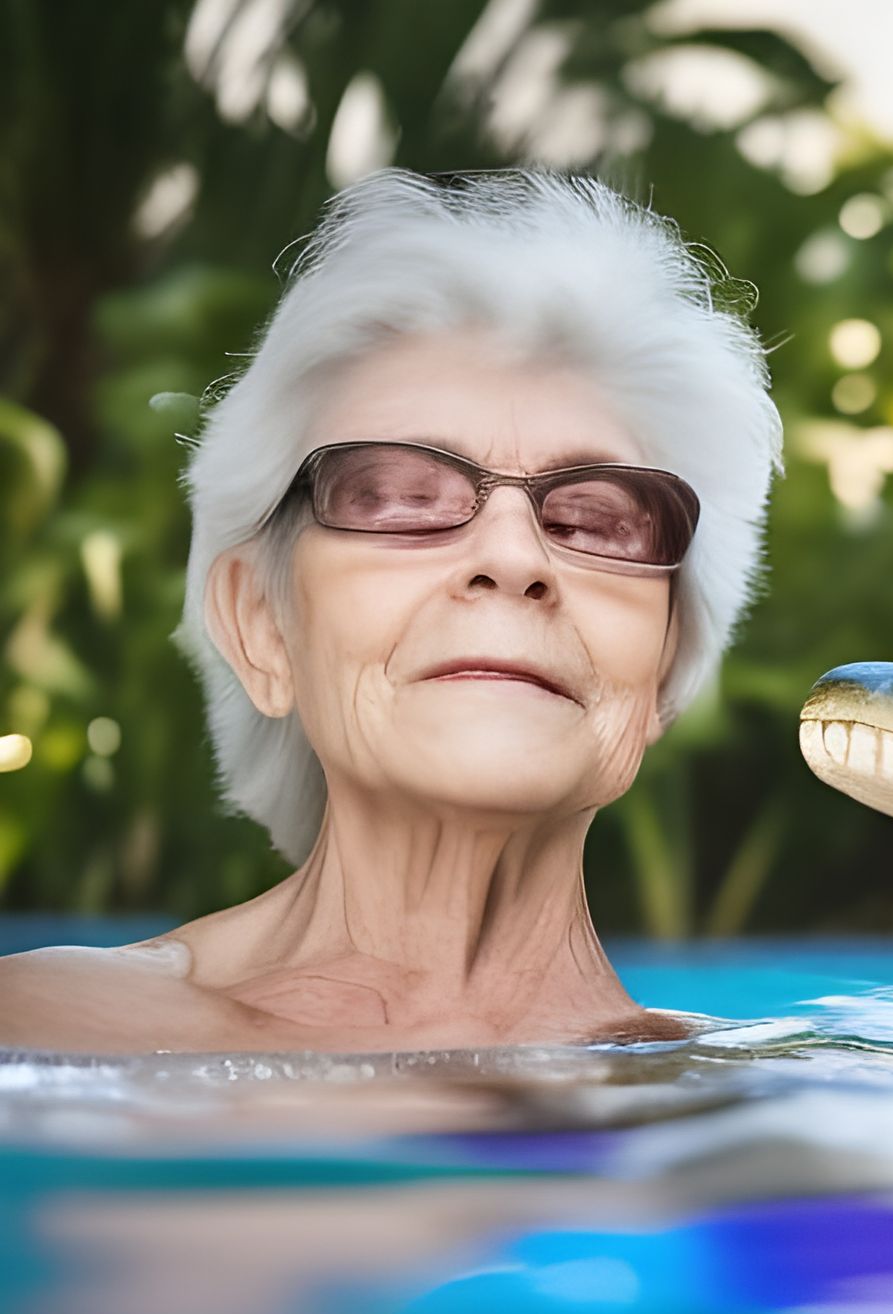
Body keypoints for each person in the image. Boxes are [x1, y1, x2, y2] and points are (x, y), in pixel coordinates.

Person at [0, 167, 783, 1053]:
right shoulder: (41, 1026)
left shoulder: (765, 1101)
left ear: (666, 674)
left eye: (594, 519)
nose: (515, 557)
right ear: (261, 625)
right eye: (400, 497)